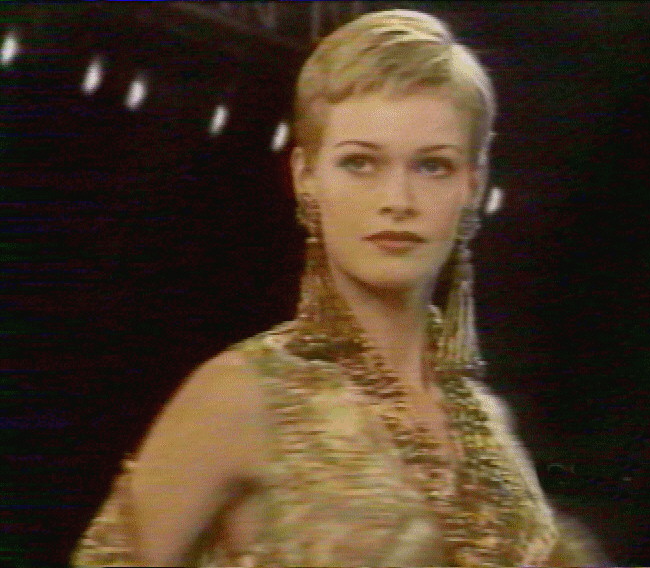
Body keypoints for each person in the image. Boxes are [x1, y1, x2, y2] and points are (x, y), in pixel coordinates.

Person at [71, 9, 602, 567]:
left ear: (473, 183)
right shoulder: (242, 394)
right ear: (306, 176)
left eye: (432, 167)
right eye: (360, 163)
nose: (397, 200)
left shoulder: (488, 424)